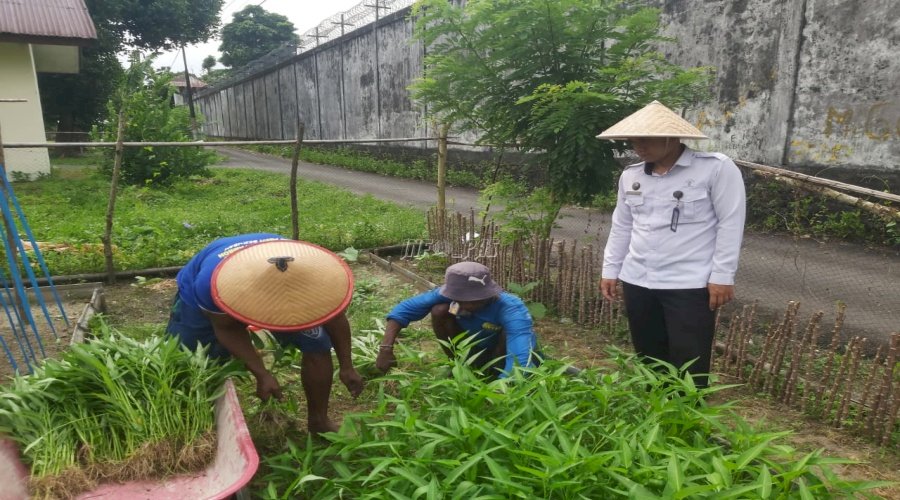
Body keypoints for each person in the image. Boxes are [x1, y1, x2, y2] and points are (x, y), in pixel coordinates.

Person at [596, 101, 746, 388]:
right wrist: (610, 270)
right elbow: (623, 225)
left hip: (689, 282)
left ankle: (688, 418)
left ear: (673, 137)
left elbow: (730, 223)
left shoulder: (715, 169)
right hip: (638, 279)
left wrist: (722, 276)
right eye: (633, 140)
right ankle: (656, 414)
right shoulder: (632, 175)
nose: (638, 146)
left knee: (689, 359)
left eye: (646, 139)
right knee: (649, 355)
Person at [166, 233, 364, 434]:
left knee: (317, 342)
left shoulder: (319, 277)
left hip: (287, 282)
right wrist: (262, 373)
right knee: (190, 358)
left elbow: (335, 319)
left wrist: (347, 366)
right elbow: (227, 329)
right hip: (206, 298)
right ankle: (192, 420)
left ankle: (319, 421)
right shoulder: (211, 284)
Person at [375, 261, 540, 378]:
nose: (465, 304)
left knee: (506, 334)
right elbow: (402, 311)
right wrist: (386, 349)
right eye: (460, 299)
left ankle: (495, 373)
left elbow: (521, 358)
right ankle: (460, 367)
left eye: (475, 300)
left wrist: (502, 388)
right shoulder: (447, 295)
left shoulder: (511, 308)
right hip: (473, 350)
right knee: (439, 310)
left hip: (501, 353)